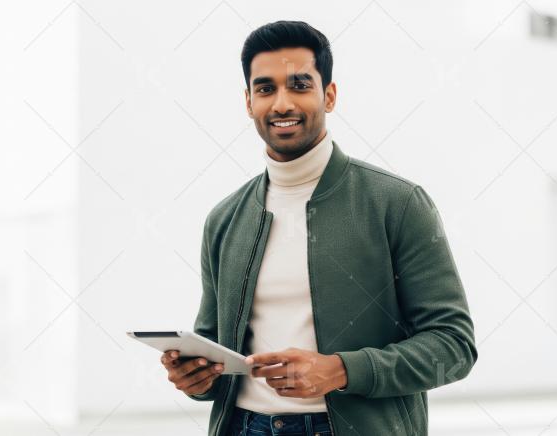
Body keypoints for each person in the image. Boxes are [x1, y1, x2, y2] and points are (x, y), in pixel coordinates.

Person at [160, 20, 477, 436]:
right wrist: (197, 379)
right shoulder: (225, 218)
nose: (282, 104)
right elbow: (214, 352)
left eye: (299, 85)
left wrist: (342, 370)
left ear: (329, 95)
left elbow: (454, 346)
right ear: (249, 102)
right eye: (265, 89)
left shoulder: (396, 203)